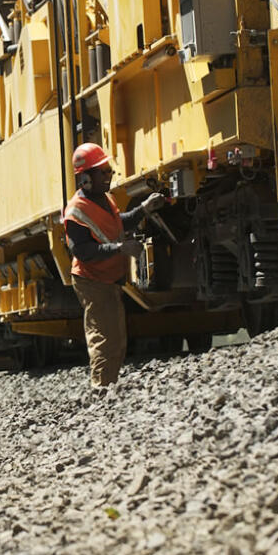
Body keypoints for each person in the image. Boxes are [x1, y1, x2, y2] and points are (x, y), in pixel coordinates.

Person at [63, 142, 166, 388]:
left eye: (109, 171)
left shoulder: (104, 199)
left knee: (117, 338)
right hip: (92, 281)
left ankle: (109, 386)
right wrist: (120, 249)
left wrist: (143, 209)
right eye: (104, 172)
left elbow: (117, 224)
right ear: (86, 178)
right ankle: (101, 389)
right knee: (103, 337)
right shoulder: (75, 211)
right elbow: (83, 251)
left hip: (107, 280)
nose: (109, 176)